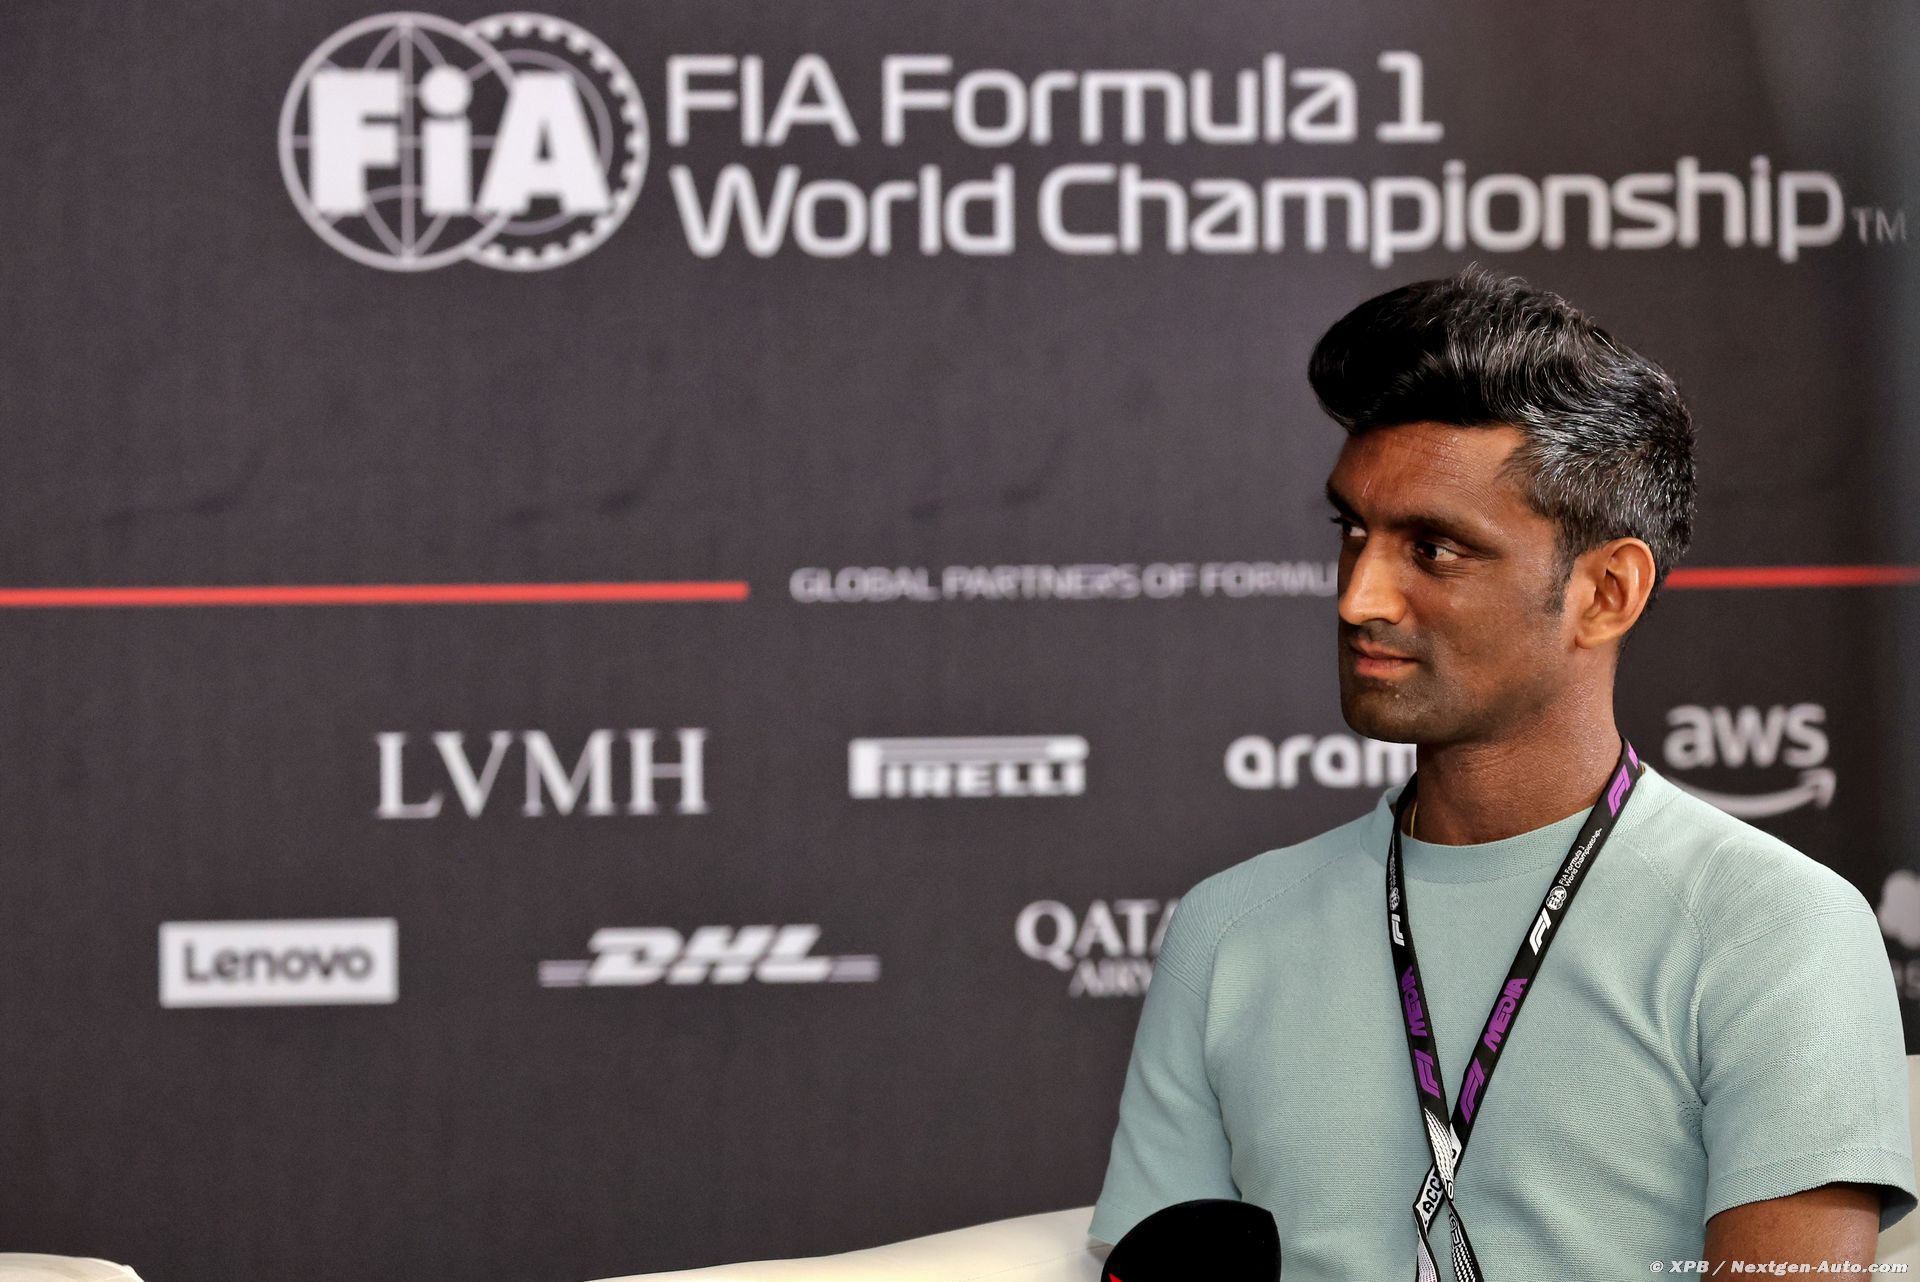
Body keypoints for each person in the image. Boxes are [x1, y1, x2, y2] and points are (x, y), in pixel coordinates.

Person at [1088, 267, 1915, 1277]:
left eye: (1434, 548)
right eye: (1352, 531)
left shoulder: (1775, 929)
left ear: (1605, 593)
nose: (1358, 597)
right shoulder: (1228, 929)